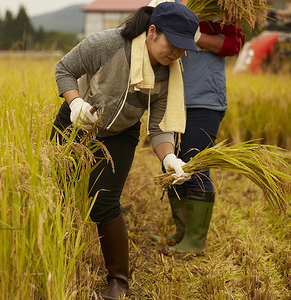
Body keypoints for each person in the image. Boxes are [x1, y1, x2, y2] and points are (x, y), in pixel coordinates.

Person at [50, 2, 199, 299]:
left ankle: (118, 280)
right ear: (152, 31)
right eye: (172, 44)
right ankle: (56, 261)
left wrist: (169, 157)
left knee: (105, 203)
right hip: (75, 121)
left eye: (183, 49)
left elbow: (158, 128)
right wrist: (75, 102)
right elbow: (64, 69)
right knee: (59, 193)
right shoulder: (107, 44)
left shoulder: (169, 74)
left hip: (120, 134)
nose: (176, 54)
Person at [163, 0, 246, 253]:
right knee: (171, 164)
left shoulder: (219, 7)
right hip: (170, 97)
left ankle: (195, 240)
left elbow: (234, 44)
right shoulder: (171, 3)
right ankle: (182, 231)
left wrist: (197, 36)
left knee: (194, 164)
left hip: (205, 99)